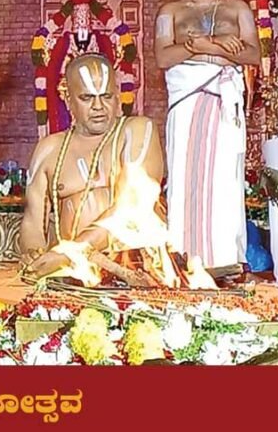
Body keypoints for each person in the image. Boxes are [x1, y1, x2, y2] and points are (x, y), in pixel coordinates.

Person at [155, 0, 260, 272]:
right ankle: (184, 257)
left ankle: (226, 259)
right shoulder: (170, 12)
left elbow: (253, 55)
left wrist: (201, 45)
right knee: (185, 176)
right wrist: (205, 45)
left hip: (223, 102)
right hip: (186, 102)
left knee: (224, 180)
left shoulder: (237, 9)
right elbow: (162, 57)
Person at [20, 54, 169, 284]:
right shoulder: (49, 149)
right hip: (69, 276)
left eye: (106, 96)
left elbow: (134, 208)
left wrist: (69, 252)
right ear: (68, 99)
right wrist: (36, 258)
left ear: (118, 96)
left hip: (134, 268)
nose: (98, 107)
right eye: (87, 98)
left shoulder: (137, 130)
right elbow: (32, 222)